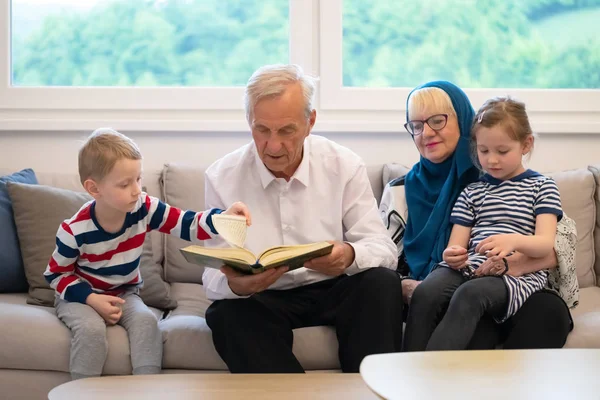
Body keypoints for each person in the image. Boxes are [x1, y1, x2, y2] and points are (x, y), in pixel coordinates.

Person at [202, 64, 403, 373]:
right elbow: (212, 275)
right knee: (225, 314)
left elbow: (383, 249)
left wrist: (348, 255)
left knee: (381, 283)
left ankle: (367, 390)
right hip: (265, 297)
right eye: (262, 129)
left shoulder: (343, 165)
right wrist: (239, 285)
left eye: (286, 130)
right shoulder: (221, 177)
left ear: (309, 122)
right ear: (248, 121)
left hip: (335, 288)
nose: (273, 146)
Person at [379, 81, 576, 350]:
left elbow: (555, 245)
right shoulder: (406, 191)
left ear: (462, 121)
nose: (426, 132)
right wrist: (428, 272)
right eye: (416, 125)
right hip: (458, 278)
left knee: (541, 312)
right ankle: (417, 377)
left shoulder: (527, 183)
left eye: (437, 120)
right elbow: (384, 260)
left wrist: (514, 253)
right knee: (441, 297)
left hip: (508, 284)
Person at [44, 128, 251, 380]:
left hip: (123, 294)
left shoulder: (143, 207)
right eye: (124, 184)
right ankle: (81, 392)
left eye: (138, 179)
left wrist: (222, 218)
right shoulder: (74, 230)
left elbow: (188, 224)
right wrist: (90, 299)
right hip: (79, 297)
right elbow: (56, 275)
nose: (136, 190)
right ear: (94, 188)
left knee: (146, 323)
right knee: (91, 330)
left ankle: (147, 388)